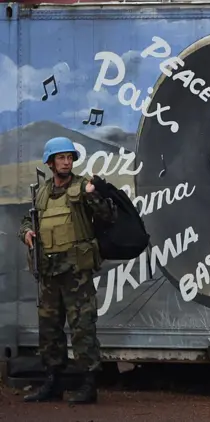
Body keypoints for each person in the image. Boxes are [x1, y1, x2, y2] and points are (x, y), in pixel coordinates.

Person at [18, 136, 116, 404]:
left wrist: (93, 195)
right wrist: (26, 231)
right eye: (60, 157)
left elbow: (108, 216)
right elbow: (29, 217)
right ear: (50, 162)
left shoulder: (82, 186)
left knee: (82, 326)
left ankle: (88, 384)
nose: (66, 162)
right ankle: (53, 381)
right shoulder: (42, 191)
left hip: (76, 270)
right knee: (49, 328)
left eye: (69, 157)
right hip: (49, 272)